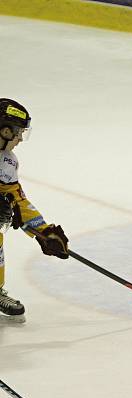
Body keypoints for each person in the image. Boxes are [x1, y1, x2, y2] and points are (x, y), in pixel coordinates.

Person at [0, 99, 69, 324]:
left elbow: (17, 201)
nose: (20, 139)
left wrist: (44, 232)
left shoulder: (7, 162)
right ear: (5, 130)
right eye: (19, 133)